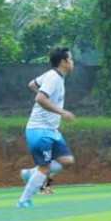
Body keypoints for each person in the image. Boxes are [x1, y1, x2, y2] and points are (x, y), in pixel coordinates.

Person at [17, 46, 76, 208]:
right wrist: (62, 112)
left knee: (67, 161)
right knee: (45, 167)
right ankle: (24, 200)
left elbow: (32, 84)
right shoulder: (53, 78)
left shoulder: (54, 76)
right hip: (39, 129)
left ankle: (30, 173)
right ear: (63, 62)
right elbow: (40, 98)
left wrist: (52, 104)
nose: (73, 62)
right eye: (71, 59)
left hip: (51, 130)